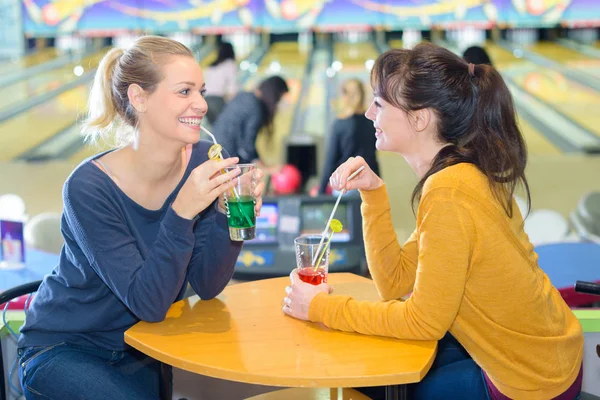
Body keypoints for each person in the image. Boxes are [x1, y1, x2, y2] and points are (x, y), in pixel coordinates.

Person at [283, 43, 583, 399]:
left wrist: (318, 307)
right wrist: (374, 193)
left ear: (419, 117)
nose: (366, 113)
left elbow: (422, 321)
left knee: (365, 381)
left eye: (378, 103)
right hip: (546, 355)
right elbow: (395, 282)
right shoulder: (460, 174)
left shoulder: (449, 192)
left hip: (531, 380)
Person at [17, 36, 265, 399]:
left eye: (201, 90)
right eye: (184, 91)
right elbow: (148, 303)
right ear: (139, 97)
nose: (200, 103)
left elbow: (208, 285)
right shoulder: (88, 188)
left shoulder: (204, 161)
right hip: (65, 348)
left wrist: (230, 216)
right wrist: (183, 210)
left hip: (144, 349)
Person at [317, 78, 379, 195]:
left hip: (347, 186)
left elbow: (331, 160)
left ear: (346, 97)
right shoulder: (372, 122)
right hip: (369, 183)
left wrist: (321, 191)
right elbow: (372, 156)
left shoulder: (340, 124)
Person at [211, 75, 289, 166]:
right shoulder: (255, 107)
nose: (278, 102)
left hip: (215, 149)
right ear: (274, 93)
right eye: (279, 98)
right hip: (228, 156)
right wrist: (262, 165)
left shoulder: (243, 96)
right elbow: (247, 145)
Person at [203, 41, 238, 125]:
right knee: (224, 127)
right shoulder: (230, 64)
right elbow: (232, 88)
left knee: (214, 129)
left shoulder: (211, 66)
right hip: (217, 99)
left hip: (206, 100)